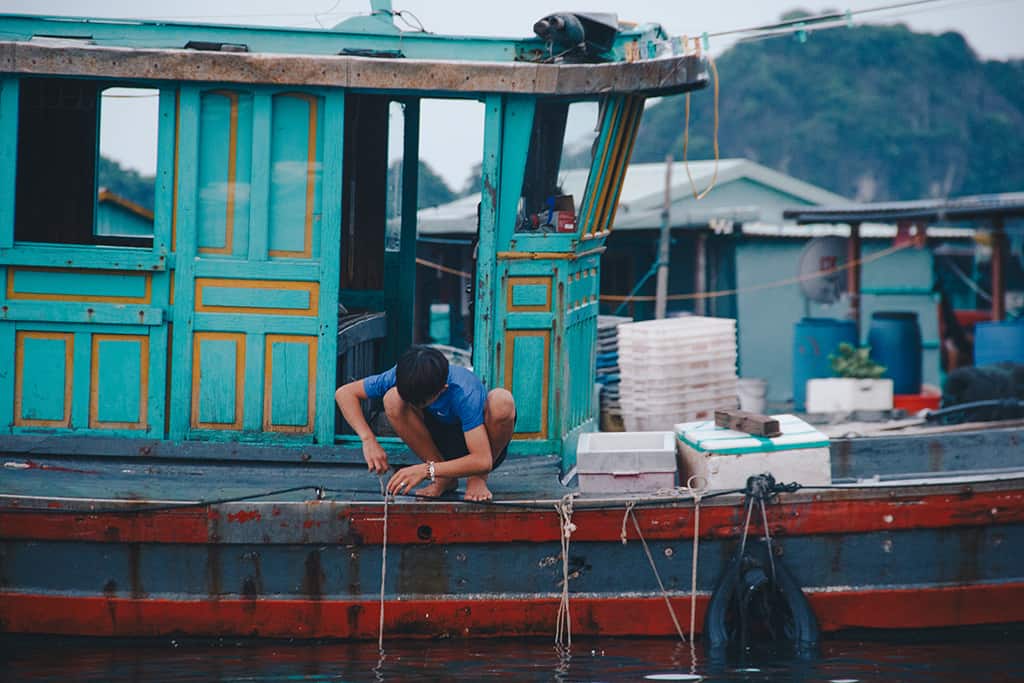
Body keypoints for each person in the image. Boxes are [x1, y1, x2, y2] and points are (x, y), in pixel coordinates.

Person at [334, 345, 516, 501]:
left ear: (442, 390)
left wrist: (426, 470)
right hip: (437, 444)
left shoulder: (463, 391)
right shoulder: (401, 374)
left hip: (479, 448)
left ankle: (477, 479)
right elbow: (344, 394)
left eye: (420, 402)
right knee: (392, 398)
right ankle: (444, 479)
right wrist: (368, 440)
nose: (414, 405)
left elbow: (482, 460)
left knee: (502, 401)